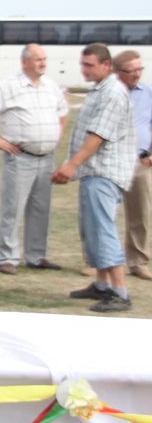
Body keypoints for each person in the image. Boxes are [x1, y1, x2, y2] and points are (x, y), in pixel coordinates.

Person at [52, 43, 136, 312]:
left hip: (104, 172)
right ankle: (101, 284)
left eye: (89, 65)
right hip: (94, 172)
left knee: (103, 229)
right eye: (82, 64)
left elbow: (97, 136)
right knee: (92, 229)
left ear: (106, 65)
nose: (83, 70)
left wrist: (72, 165)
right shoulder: (100, 90)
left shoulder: (112, 93)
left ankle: (120, 291)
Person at [0, 44, 68, 275]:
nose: (43, 63)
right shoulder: (8, 86)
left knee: (41, 209)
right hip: (20, 158)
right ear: (24, 62)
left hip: (46, 158)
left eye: (44, 59)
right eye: (38, 59)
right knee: (13, 208)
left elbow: (63, 111)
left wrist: (58, 135)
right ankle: (8, 257)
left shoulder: (50, 86)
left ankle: (36, 256)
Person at [113, 50, 152, 280]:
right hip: (111, 161)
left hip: (140, 162)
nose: (137, 74)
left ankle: (138, 261)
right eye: (131, 70)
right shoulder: (108, 92)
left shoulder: (148, 93)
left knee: (141, 213)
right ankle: (94, 260)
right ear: (117, 72)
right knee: (102, 212)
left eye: (140, 69)